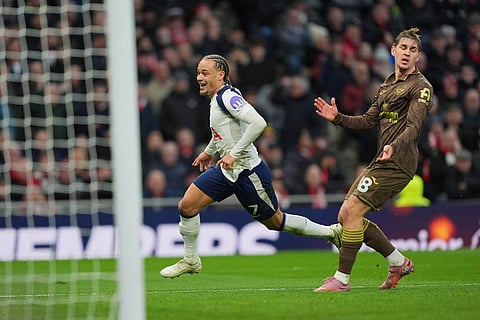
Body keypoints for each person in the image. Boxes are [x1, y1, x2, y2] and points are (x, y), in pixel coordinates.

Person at [160, 54, 342, 278]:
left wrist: (234, 154)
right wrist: (210, 151)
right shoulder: (218, 97)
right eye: (198, 72)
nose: (199, 77)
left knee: (276, 222)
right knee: (186, 207)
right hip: (227, 171)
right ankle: (190, 260)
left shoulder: (227, 97)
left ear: (221, 75)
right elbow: (227, 130)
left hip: (248, 172)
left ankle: (331, 232)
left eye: (204, 73)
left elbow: (258, 123)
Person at [313, 27, 433, 291]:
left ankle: (342, 280)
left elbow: (413, 126)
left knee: (353, 210)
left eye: (413, 50)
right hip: (383, 159)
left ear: (418, 57)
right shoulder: (387, 84)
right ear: (393, 50)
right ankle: (397, 261)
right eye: (403, 48)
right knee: (346, 214)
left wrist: (393, 146)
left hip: (399, 161)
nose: (407, 53)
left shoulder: (421, 87)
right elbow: (368, 120)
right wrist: (338, 118)